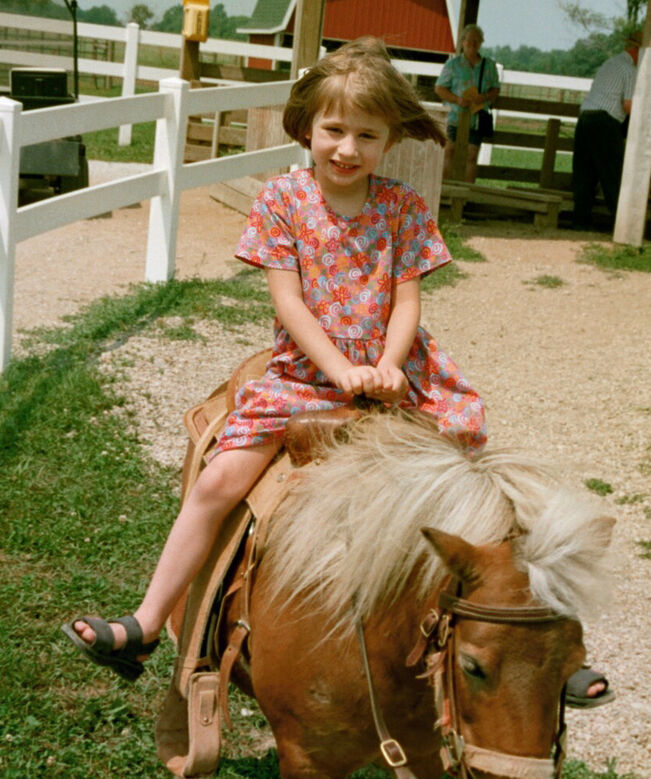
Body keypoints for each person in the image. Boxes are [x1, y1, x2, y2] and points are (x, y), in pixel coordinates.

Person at [61, 37, 487, 681]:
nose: (347, 148)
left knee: (474, 488)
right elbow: (288, 301)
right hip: (307, 374)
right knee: (218, 484)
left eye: (366, 136)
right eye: (334, 129)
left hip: (395, 374)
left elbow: (406, 300)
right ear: (307, 126)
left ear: (390, 139)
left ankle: (521, 639)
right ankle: (147, 623)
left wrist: (392, 365)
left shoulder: (401, 208)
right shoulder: (283, 200)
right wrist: (340, 369)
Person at [572, 28, 642, 230]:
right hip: (605, 122)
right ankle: (622, 226)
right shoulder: (630, 71)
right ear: (638, 50)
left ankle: (580, 222)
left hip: (586, 118)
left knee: (585, 174)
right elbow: (629, 106)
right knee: (613, 174)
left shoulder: (609, 64)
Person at [435, 24, 500, 182]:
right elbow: (439, 88)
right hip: (454, 117)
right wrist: (457, 99)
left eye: (476, 40)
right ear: (462, 42)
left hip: (476, 118)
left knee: (472, 156)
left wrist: (483, 97)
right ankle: (444, 190)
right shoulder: (453, 64)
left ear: (481, 43)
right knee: (448, 151)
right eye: (469, 40)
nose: (472, 43)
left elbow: (495, 89)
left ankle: (467, 194)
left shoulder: (489, 66)